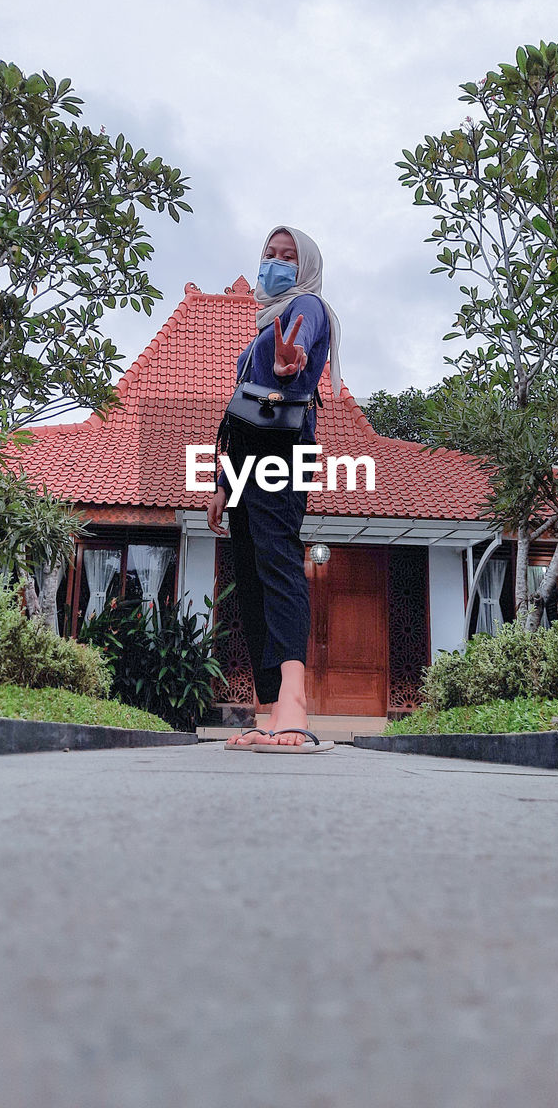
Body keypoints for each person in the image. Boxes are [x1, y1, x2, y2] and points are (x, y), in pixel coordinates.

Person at [206, 226, 342, 749]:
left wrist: (293, 362)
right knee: (251, 574)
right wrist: (223, 482)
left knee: (279, 562)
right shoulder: (260, 330)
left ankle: (295, 703)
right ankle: (267, 712)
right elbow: (241, 412)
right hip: (243, 459)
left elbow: (299, 346)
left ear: (305, 264)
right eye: (270, 254)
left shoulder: (306, 305)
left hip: (284, 449)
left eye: (289, 256)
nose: (278, 263)